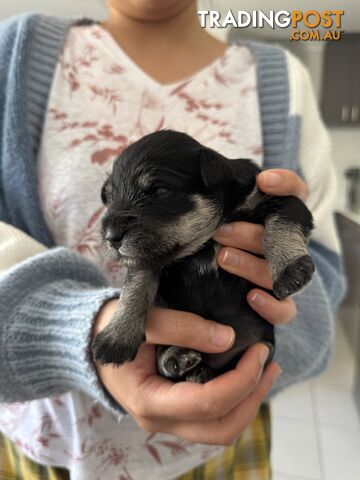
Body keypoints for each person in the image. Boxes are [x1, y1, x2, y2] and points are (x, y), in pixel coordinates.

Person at [0, 1, 346, 479]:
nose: (115, 226)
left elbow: (321, 274)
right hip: (51, 442)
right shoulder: (13, 53)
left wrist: (283, 287)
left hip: (222, 442)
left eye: (157, 193)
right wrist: (73, 331)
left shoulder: (281, 79)